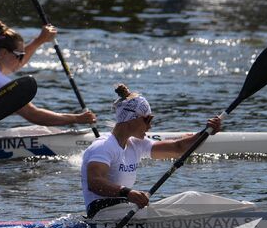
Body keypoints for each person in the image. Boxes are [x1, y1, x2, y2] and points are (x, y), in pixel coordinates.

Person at [80, 85, 223, 218]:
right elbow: (95, 183)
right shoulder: (103, 146)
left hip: (123, 210)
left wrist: (206, 132)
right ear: (132, 119)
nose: (150, 125)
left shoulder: (136, 144)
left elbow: (177, 148)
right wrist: (128, 193)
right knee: (182, 211)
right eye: (147, 119)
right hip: (102, 213)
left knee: (191, 197)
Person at [0, 20, 96, 130]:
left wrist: (40, 40)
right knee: (44, 131)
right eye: (19, 55)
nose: (21, 60)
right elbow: (33, 115)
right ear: (3, 53)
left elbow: (16, 65)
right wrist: (77, 118)